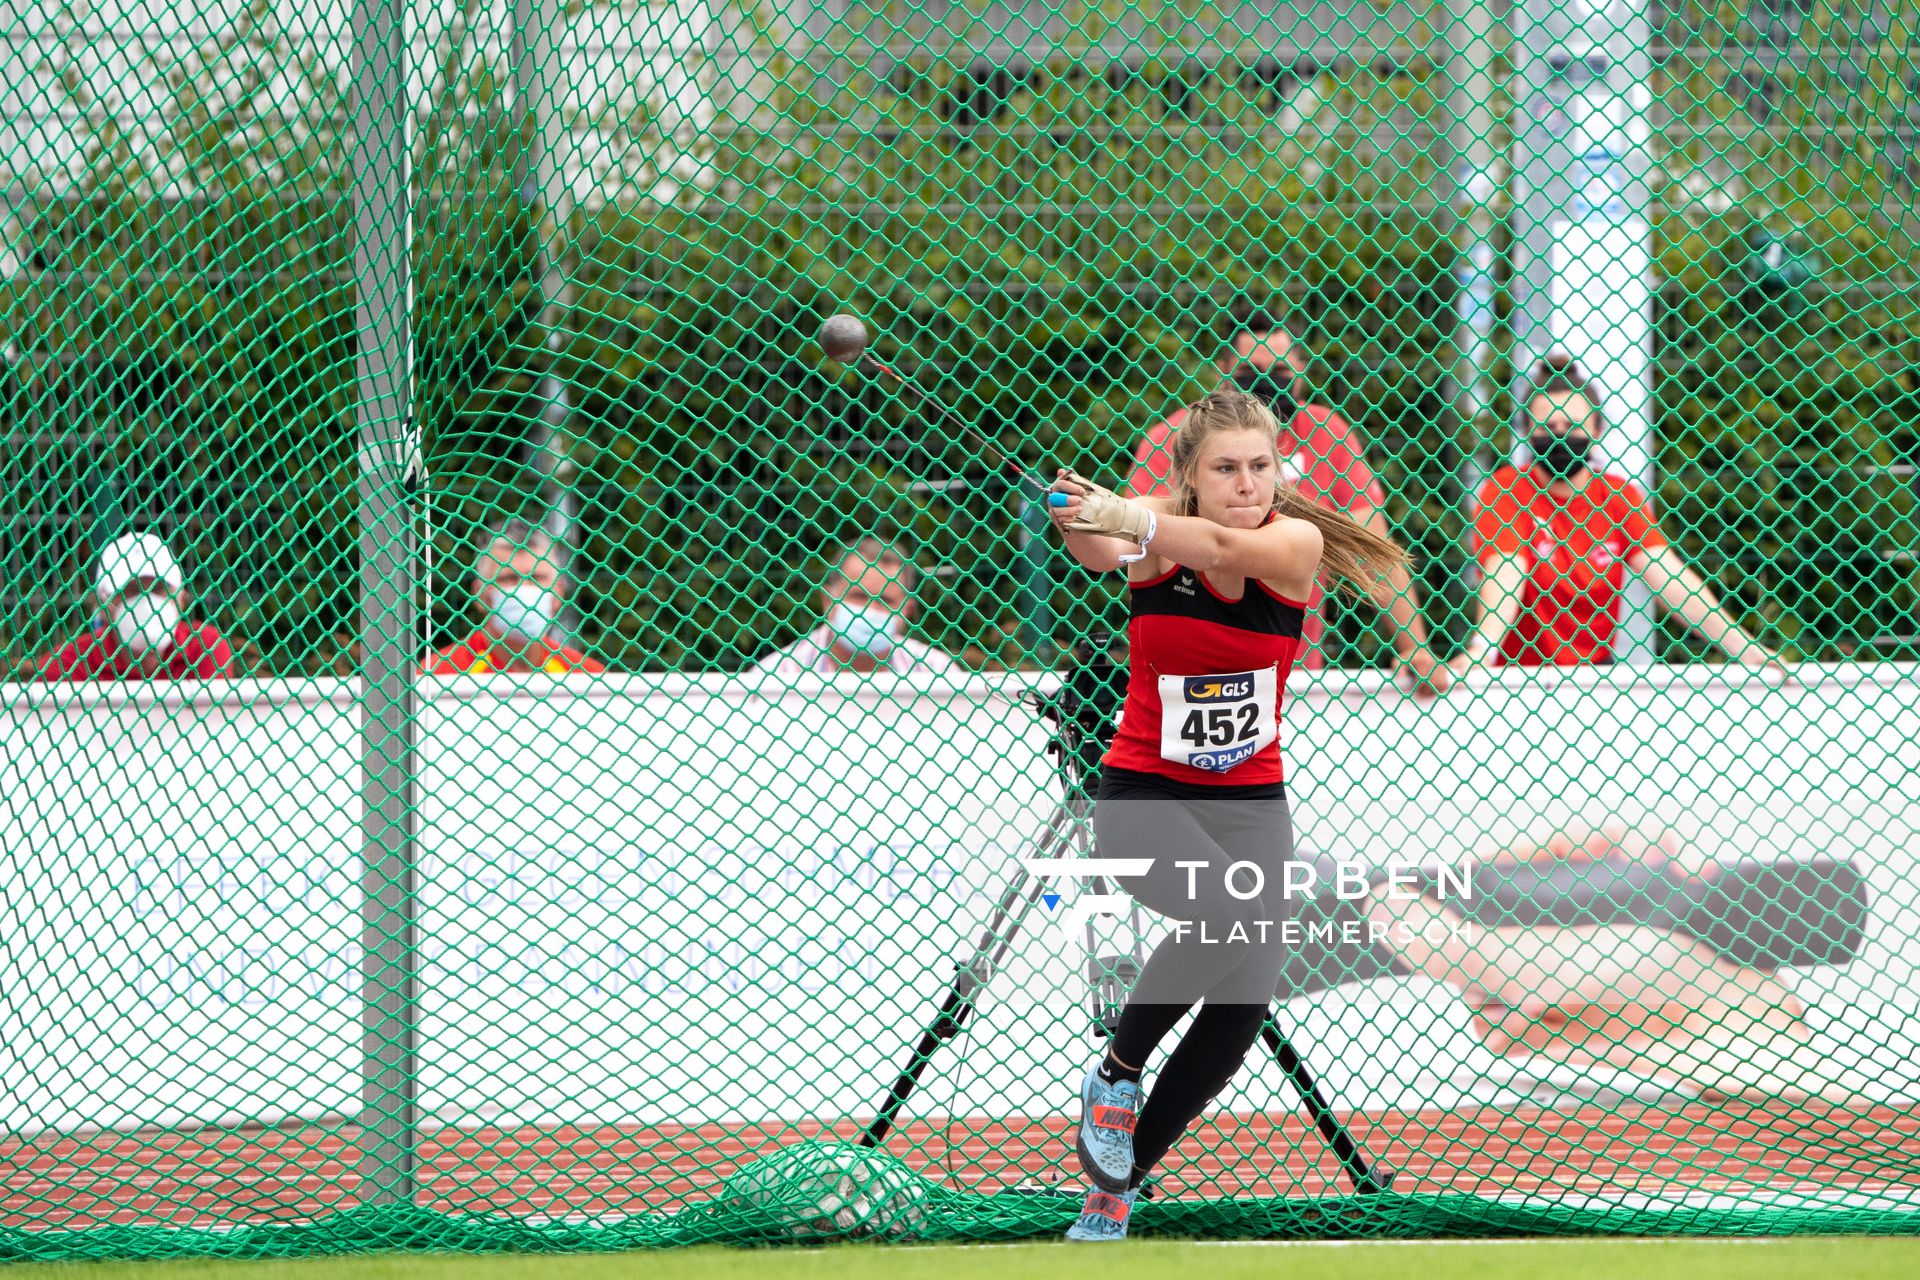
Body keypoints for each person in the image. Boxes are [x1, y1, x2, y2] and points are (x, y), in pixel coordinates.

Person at [1044, 385, 1410, 1241]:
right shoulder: (1148, 536)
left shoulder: (1295, 539)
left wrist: (1122, 513)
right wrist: (1074, 513)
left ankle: (1118, 1184)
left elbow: (1210, 544)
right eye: (1225, 469)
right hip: (1142, 794)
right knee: (1222, 912)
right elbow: (1101, 551)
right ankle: (1117, 1074)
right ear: (1190, 475)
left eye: (1260, 466)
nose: (1247, 484)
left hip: (1250, 801)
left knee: (1246, 989)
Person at [1123, 310, 1449, 693]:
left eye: (1279, 369)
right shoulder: (1177, 438)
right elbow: (1134, 544)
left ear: (1300, 371)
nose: (1266, 381)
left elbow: (1371, 550)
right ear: (1223, 371)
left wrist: (1415, 646)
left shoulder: (1327, 435)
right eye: (1251, 369)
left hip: (1291, 670)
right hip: (1185, 670)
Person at [1452, 356, 1781, 673]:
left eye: (1572, 425)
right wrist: (1483, 649)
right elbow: (1506, 571)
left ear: (1597, 431)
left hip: (1594, 676)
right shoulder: (1506, 490)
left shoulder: (1617, 497)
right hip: (1515, 677)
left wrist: (1742, 646)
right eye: (1548, 426)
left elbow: (1669, 577)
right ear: (1527, 430)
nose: (1560, 435)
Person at [745, 537, 961, 677]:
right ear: (828, 601)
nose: (871, 610)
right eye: (859, 596)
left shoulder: (937, 673)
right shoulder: (777, 675)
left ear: (907, 610)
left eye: (886, 601)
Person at [37, 531, 235, 680]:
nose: (146, 603)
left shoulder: (205, 650)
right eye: (132, 591)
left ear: (181, 599)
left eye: (158, 589)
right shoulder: (67, 665)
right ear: (101, 604)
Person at [430, 521, 604, 675]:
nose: (523, 589)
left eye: (536, 578)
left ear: (558, 592)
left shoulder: (588, 678)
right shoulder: (436, 677)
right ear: (480, 593)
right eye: (508, 578)